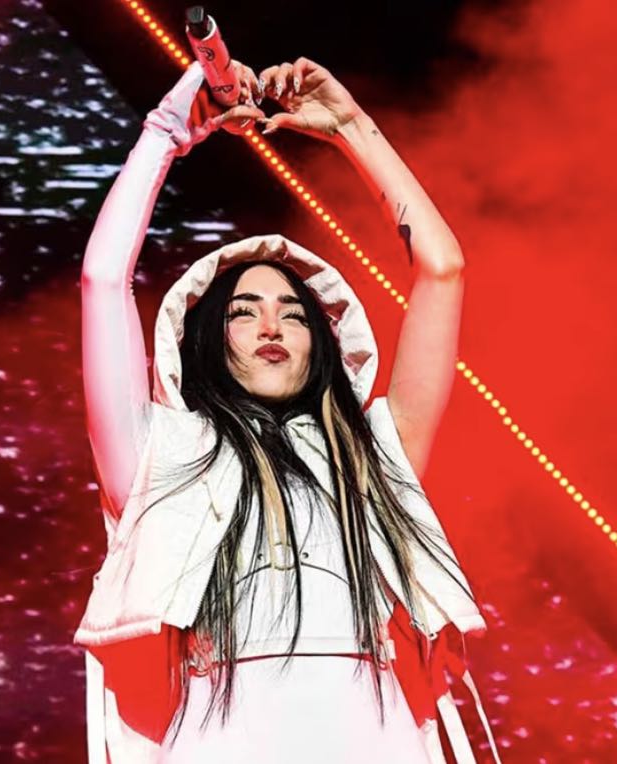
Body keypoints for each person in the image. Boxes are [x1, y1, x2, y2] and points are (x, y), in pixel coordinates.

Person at [75, 56, 501, 764]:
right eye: (244, 312)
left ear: (323, 341)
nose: (271, 325)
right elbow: (102, 279)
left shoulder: (372, 453)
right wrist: (165, 133)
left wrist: (351, 128)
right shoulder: (162, 454)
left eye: (294, 313)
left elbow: (442, 269)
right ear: (206, 339)